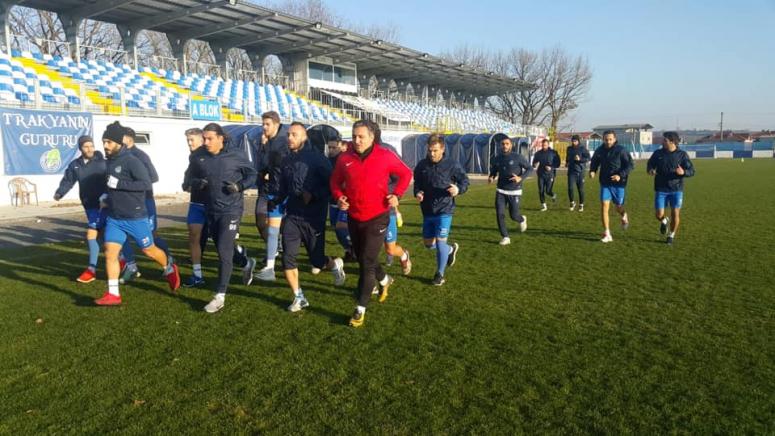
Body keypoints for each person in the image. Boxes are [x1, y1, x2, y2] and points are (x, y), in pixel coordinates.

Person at [330, 120, 412, 328]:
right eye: (354, 136)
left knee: (366, 262)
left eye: (361, 137)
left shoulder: (385, 156)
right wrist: (340, 197)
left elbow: (406, 173)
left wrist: (397, 194)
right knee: (362, 256)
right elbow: (334, 182)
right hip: (354, 216)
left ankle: (360, 308)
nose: (356, 140)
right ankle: (385, 280)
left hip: (378, 217)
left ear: (372, 137)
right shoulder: (345, 158)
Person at [95, 121, 180, 305]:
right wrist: (106, 195)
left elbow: (146, 184)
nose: (105, 146)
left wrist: (119, 185)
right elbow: (111, 184)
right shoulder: (109, 161)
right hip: (115, 218)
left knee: (149, 250)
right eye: (104, 141)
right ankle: (113, 294)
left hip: (135, 217)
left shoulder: (132, 161)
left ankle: (169, 267)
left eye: (109, 142)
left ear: (119, 142)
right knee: (110, 253)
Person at [272, 122, 346, 312]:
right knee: (287, 259)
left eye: (294, 135)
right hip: (293, 215)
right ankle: (299, 297)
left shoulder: (318, 159)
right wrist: (276, 200)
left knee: (316, 261)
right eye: (288, 134)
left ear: (304, 137)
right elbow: (283, 187)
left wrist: (313, 195)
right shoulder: (286, 160)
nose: (289, 138)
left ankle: (334, 263)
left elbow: (332, 185)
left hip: (314, 217)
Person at [186, 123, 257, 313]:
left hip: (232, 209)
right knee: (222, 248)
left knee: (224, 251)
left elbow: (252, 175)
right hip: (210, 209)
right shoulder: (198, 156)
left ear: (221, 138)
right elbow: (187, 181)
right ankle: (245, 262)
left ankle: (220, 296)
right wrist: (196, 183)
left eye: (210, 138)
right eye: (204, 138)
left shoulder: (236, 155)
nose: (206, 142)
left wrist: (239, 186)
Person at [413, 134, 469, 286]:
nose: (432, 154)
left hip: (445, 209)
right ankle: (450, 250)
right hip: (427, 210)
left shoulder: (452, 164)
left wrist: (458, 189)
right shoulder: (422, 165)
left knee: (439, 243)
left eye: (435, 150)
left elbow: (464, 180)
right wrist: (417, 192)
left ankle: (440, 274)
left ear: (443, 149)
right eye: (430, 150)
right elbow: (417, 183)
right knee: (428, 244)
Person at [118, 127, 172, 284]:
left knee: (151, 236)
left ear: (128, 139)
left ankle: (168, 261)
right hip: (127, 203)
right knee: (122, 233)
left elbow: (153, 177)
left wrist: (130, 184)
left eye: (119, 138)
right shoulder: (119, 156)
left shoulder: (140, 156)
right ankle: (131, 266)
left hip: (144, 201)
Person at [53, 135, 107, 283]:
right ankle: (125, 261)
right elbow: (68, 180)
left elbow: (112, 181)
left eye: (91, 145)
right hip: (88, 204)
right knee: (102, 235)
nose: (89, 149)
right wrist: (60, 192)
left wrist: (107, 196)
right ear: (80, 148)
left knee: (92, 233)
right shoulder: (75, 165)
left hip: (103, 205)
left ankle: (91, 269)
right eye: (86, 146)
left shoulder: (103, 163)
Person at [253, 111, 289, 282]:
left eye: (267, 124)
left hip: (286, 193)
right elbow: (261, 165)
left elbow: (284, 167)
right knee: (270, 229)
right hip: (271, 192)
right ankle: (270, 267)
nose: (264, 127)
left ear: (276, 124)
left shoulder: (282, 142)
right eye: (263, 124)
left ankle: (332, 264)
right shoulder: (268, 142)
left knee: (291, 232)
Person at [647, 131, 695, 245]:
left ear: (672, 142)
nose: (662, 142)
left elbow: (692, 171)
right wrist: (650, 170)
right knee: (658, 214)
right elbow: (650, 164)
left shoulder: (682, 155)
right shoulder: (658, 153)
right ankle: (664, 220)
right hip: (661, 188)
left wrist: (683, 172)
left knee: (675, 213)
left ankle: (671, 235)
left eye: (665, 140)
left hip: (676, 189)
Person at [590, 130, 634, 243]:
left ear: (614, 139)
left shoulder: (621, 150)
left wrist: (620, 175)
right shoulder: (600, 150)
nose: (608, 141)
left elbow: (630, 165)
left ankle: (624, 215)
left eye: (610, 139)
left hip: (619, 184)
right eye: (606, 139)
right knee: (604, 206)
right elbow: (594, 162)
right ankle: (607, 233)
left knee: (618, 206)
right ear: (603, 139)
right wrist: (592, 171)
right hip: (605, 183)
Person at [488, 137, 532, 245]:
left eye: (507, 143)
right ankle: (505, 237)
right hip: (501, 190)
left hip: (515, 190)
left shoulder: (517, 157)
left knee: (514, 216)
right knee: (500, 214)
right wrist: (491, 177)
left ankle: (521, 219)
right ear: (500, 145)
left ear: (511, 145)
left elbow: (530, 169)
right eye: (503, 144)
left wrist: (520, 178)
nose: (504, 146)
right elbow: (494, 170)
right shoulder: (497, 158)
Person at [181, 128, 210, 287]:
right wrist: (188, 183)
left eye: (192, 140)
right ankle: (197, 275)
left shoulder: (210, 154)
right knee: (193, 236)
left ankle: (243, 259)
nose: (189, 143)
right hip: (196, 204)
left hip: (213, 204)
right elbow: (188, 180)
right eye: (188, 140)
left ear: (201, 140)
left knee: (223, 241)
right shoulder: (192, 157)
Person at [326, 135, 354, 261]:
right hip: (332, 200)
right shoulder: (326, 161)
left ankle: (356, 248)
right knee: (337, 229)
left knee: (341, 226)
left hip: (344, 200)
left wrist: (344, 184)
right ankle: (349, 250)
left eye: (334, 147)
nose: (331, 150)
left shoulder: (344, 160)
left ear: (340, 147)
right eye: (329, 147)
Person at [532, 138, 559, 211]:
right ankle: (544, 205)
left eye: (545, 145)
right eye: (543, 145)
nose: (544, 146)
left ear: (548, 145)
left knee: (548, 191)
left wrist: (551, 167)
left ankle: (553, 195)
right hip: (540, 174)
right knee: (541, 190)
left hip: (550, 175)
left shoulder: (553, 153)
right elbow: (534, 164)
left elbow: (558, 163)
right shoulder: (538, 154)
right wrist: (535, 164)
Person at [566, 135, 590, 212]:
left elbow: (588, 158)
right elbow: (568, 157)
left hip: (580, 172)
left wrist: (580, 159)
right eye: (573, 141)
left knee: (580, 189)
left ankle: (581, 205)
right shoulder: (569, 149)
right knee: (570, 188)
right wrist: (567, 162)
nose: (574, 142)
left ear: (578, 141)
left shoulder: (582, 149)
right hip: (571, 171)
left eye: (575, 141)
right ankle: (572, 203)